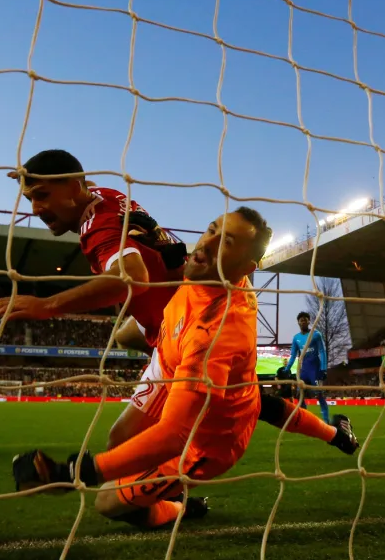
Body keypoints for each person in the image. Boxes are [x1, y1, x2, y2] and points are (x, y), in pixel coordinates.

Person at [0, 150, 357, 455]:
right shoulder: (105, 194)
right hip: (191, 305)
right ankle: (336, 433)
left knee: (127, 439)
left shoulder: (97, 227)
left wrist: (47, 305)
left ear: (72, 186)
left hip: (188, 323)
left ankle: (174, 492)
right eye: (30, 198)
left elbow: (129, 277)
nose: (35, 208)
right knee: (133, 341)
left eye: (41, 195)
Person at [14, 209, 269, 527]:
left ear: (245, 268)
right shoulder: (213, 270)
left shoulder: (216, 333)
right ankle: (162, 491)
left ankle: (180, 507)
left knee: (107, 501)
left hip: (206, 441)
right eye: (211, 229)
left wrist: (72, 473)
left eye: (227, 241)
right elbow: (182, 258)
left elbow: (175, 435)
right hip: (173, 354)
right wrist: (159, 236)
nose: (207, 243)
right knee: (120, 436)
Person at [284, 312, 330, 422]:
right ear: (298, 322)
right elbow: (293, 355)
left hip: (315, 369)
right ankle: (305, 419)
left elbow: (322, 351)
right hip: (303, 370)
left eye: (305, 320)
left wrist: (323, 368)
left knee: (319, 395)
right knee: (299, 394)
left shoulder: (316, 334)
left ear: (309, 321)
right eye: (301, 320)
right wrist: (287, 368)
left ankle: (326, 420)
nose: (303, 322)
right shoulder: (296, 338)